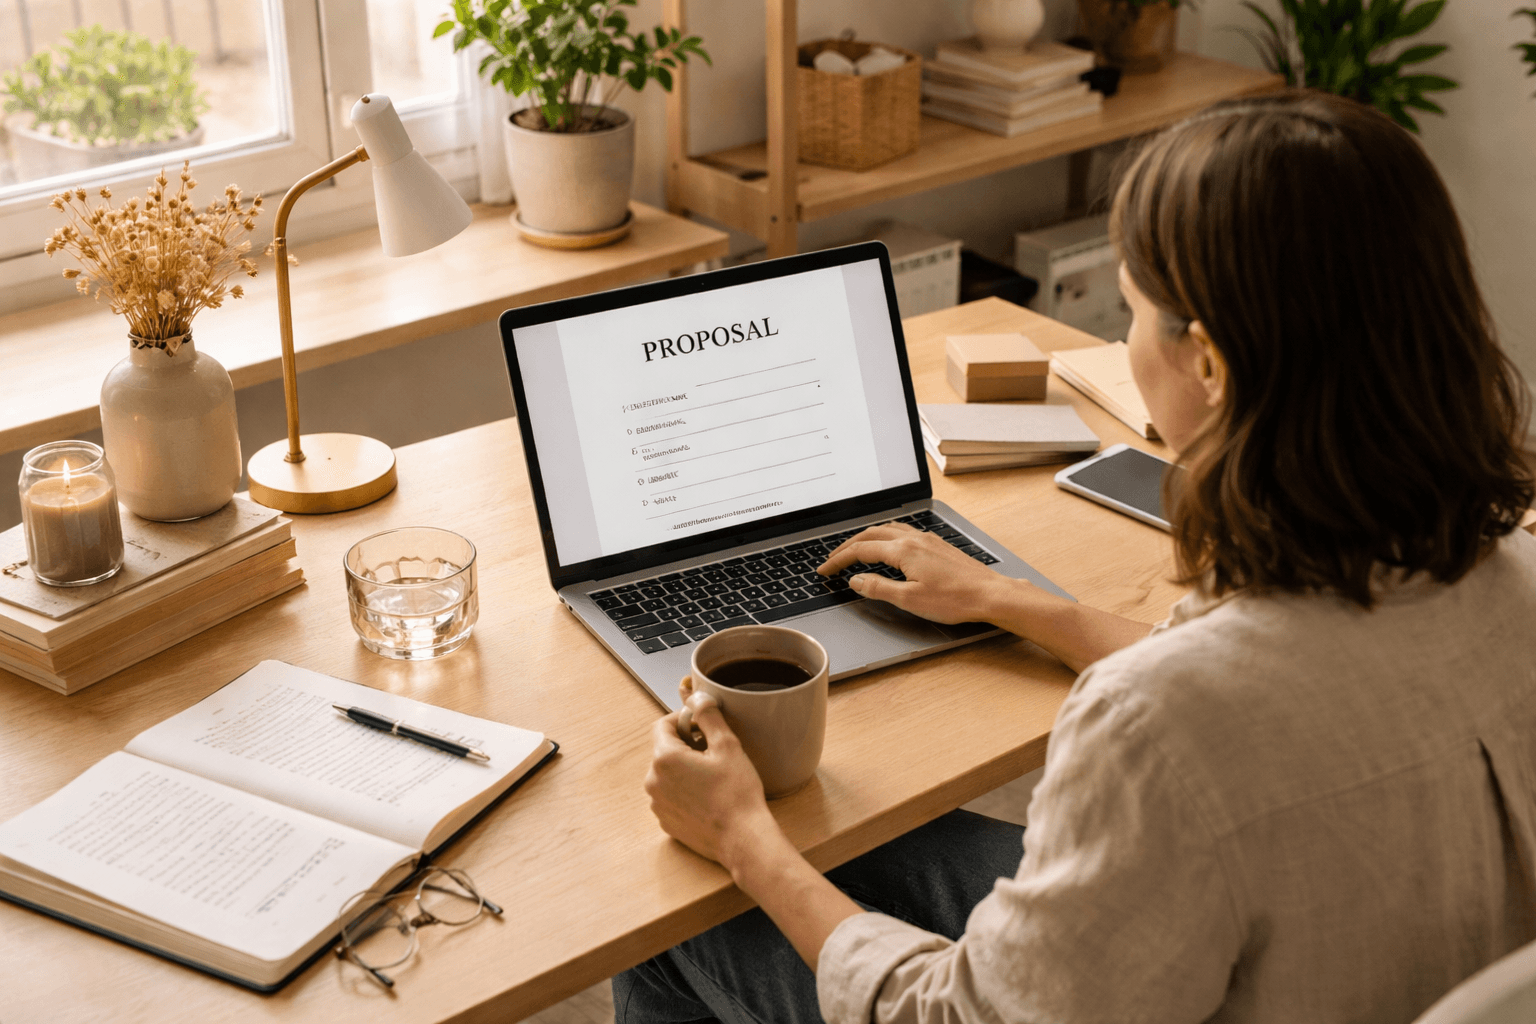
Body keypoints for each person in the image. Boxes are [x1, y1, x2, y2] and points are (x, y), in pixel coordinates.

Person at [615, 89, 1536, 1024]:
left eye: (1130, 310)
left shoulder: (1156, 730)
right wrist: (1009, 600)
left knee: (680, 918)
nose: (1123, 341)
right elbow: (1285, 683)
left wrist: (742, 838)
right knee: (879, 849)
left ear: (1209, 363)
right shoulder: (1508, 576)